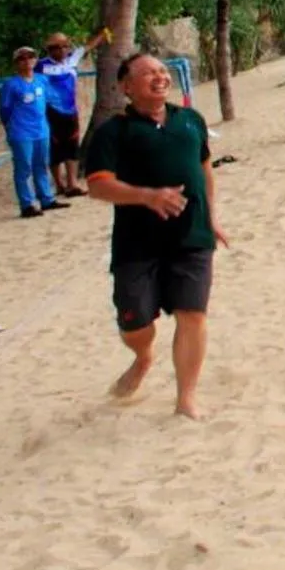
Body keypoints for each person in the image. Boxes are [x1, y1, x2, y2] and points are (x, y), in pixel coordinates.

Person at [83, 54, 226, 419]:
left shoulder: (191, 121)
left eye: (162, 71)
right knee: (136, 325)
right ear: (126, 87)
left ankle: (186, 398)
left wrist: (211, 218)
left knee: (192, 313)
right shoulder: (112, 131)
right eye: (148, 73)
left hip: (191, 234)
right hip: (137, 243)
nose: (159, 77)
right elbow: (98, 186)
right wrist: (148, 196)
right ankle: (143, 357)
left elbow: (204, 171)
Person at [0, 46, 67, 218]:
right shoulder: (11, 84)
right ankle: (26, 204)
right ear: (16, 63)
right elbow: (5, 109)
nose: (27, 60)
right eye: (22, 58)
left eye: (31, 57)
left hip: (41, 130)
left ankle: (46, 199)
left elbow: (51, 100)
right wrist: (10, 127)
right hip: (21, 132)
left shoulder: (41, 80)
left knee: (41, 165)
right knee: (23, 168)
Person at [37, 29, 105, 200]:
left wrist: (104, 33)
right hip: (50, 111)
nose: (61, 50)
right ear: (49, 49)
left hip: (71, 110)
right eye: (56, 47)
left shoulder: (71, 60)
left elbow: (88, 46)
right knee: (54, 148)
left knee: (72, 146)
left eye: (64, 46)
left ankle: (72, 184)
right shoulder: (41, 65)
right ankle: (59, 184)